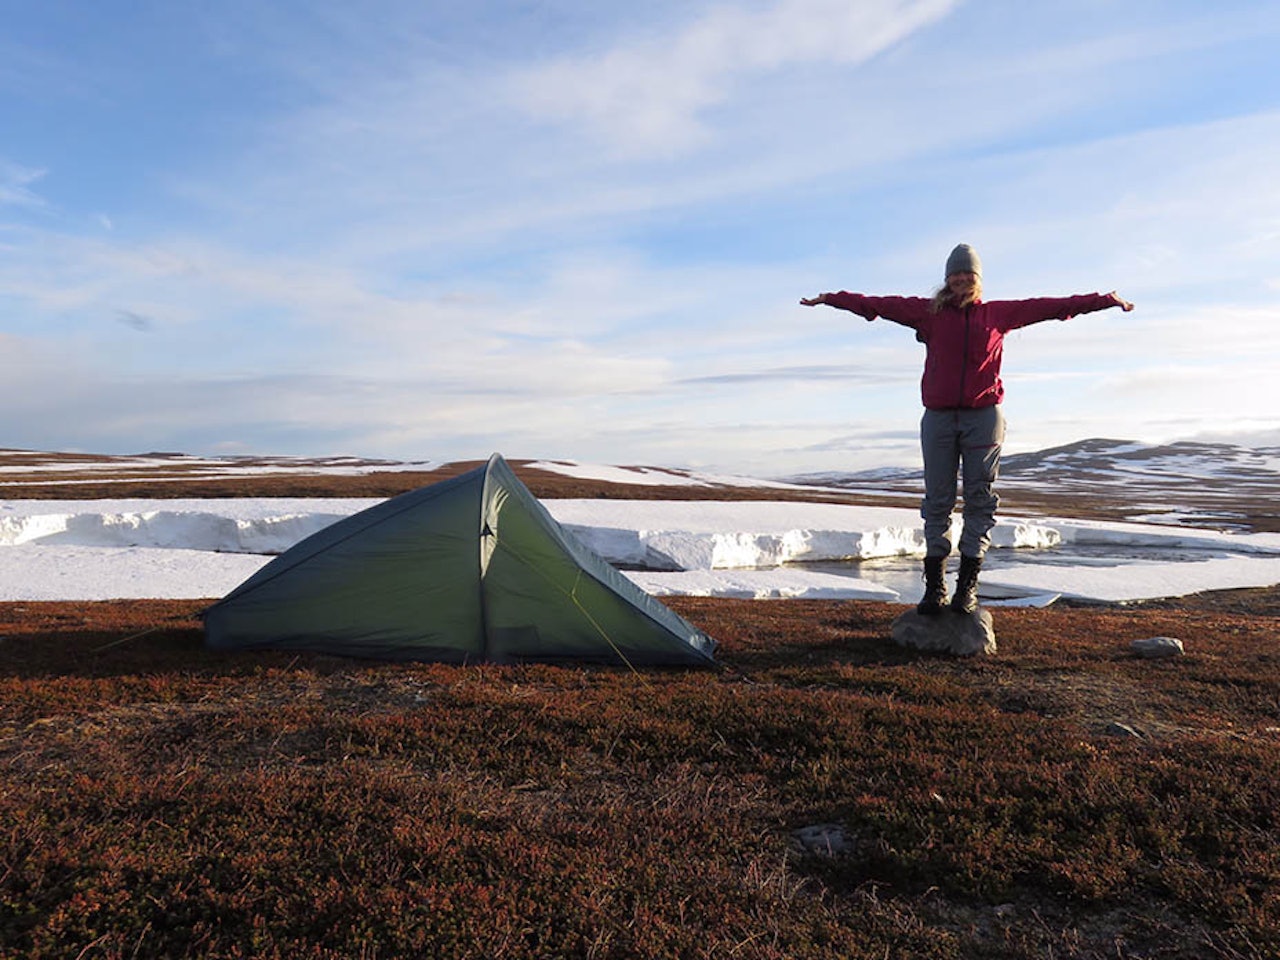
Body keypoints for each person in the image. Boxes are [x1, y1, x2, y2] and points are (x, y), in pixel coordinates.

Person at [801, 243, 1133, 615]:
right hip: (938, 419)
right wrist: (832, 299)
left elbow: (1052, 307)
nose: (961, 279)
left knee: (980, 499)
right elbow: (878, 304)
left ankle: (967, 589)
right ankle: (934, 588)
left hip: (983, 418)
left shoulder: (998, 314)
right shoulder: (928, 314)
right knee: (937, 501)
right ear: (947, 279)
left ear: (978, 279)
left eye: (968, 274)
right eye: (955, 274)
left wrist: (1104, 300)